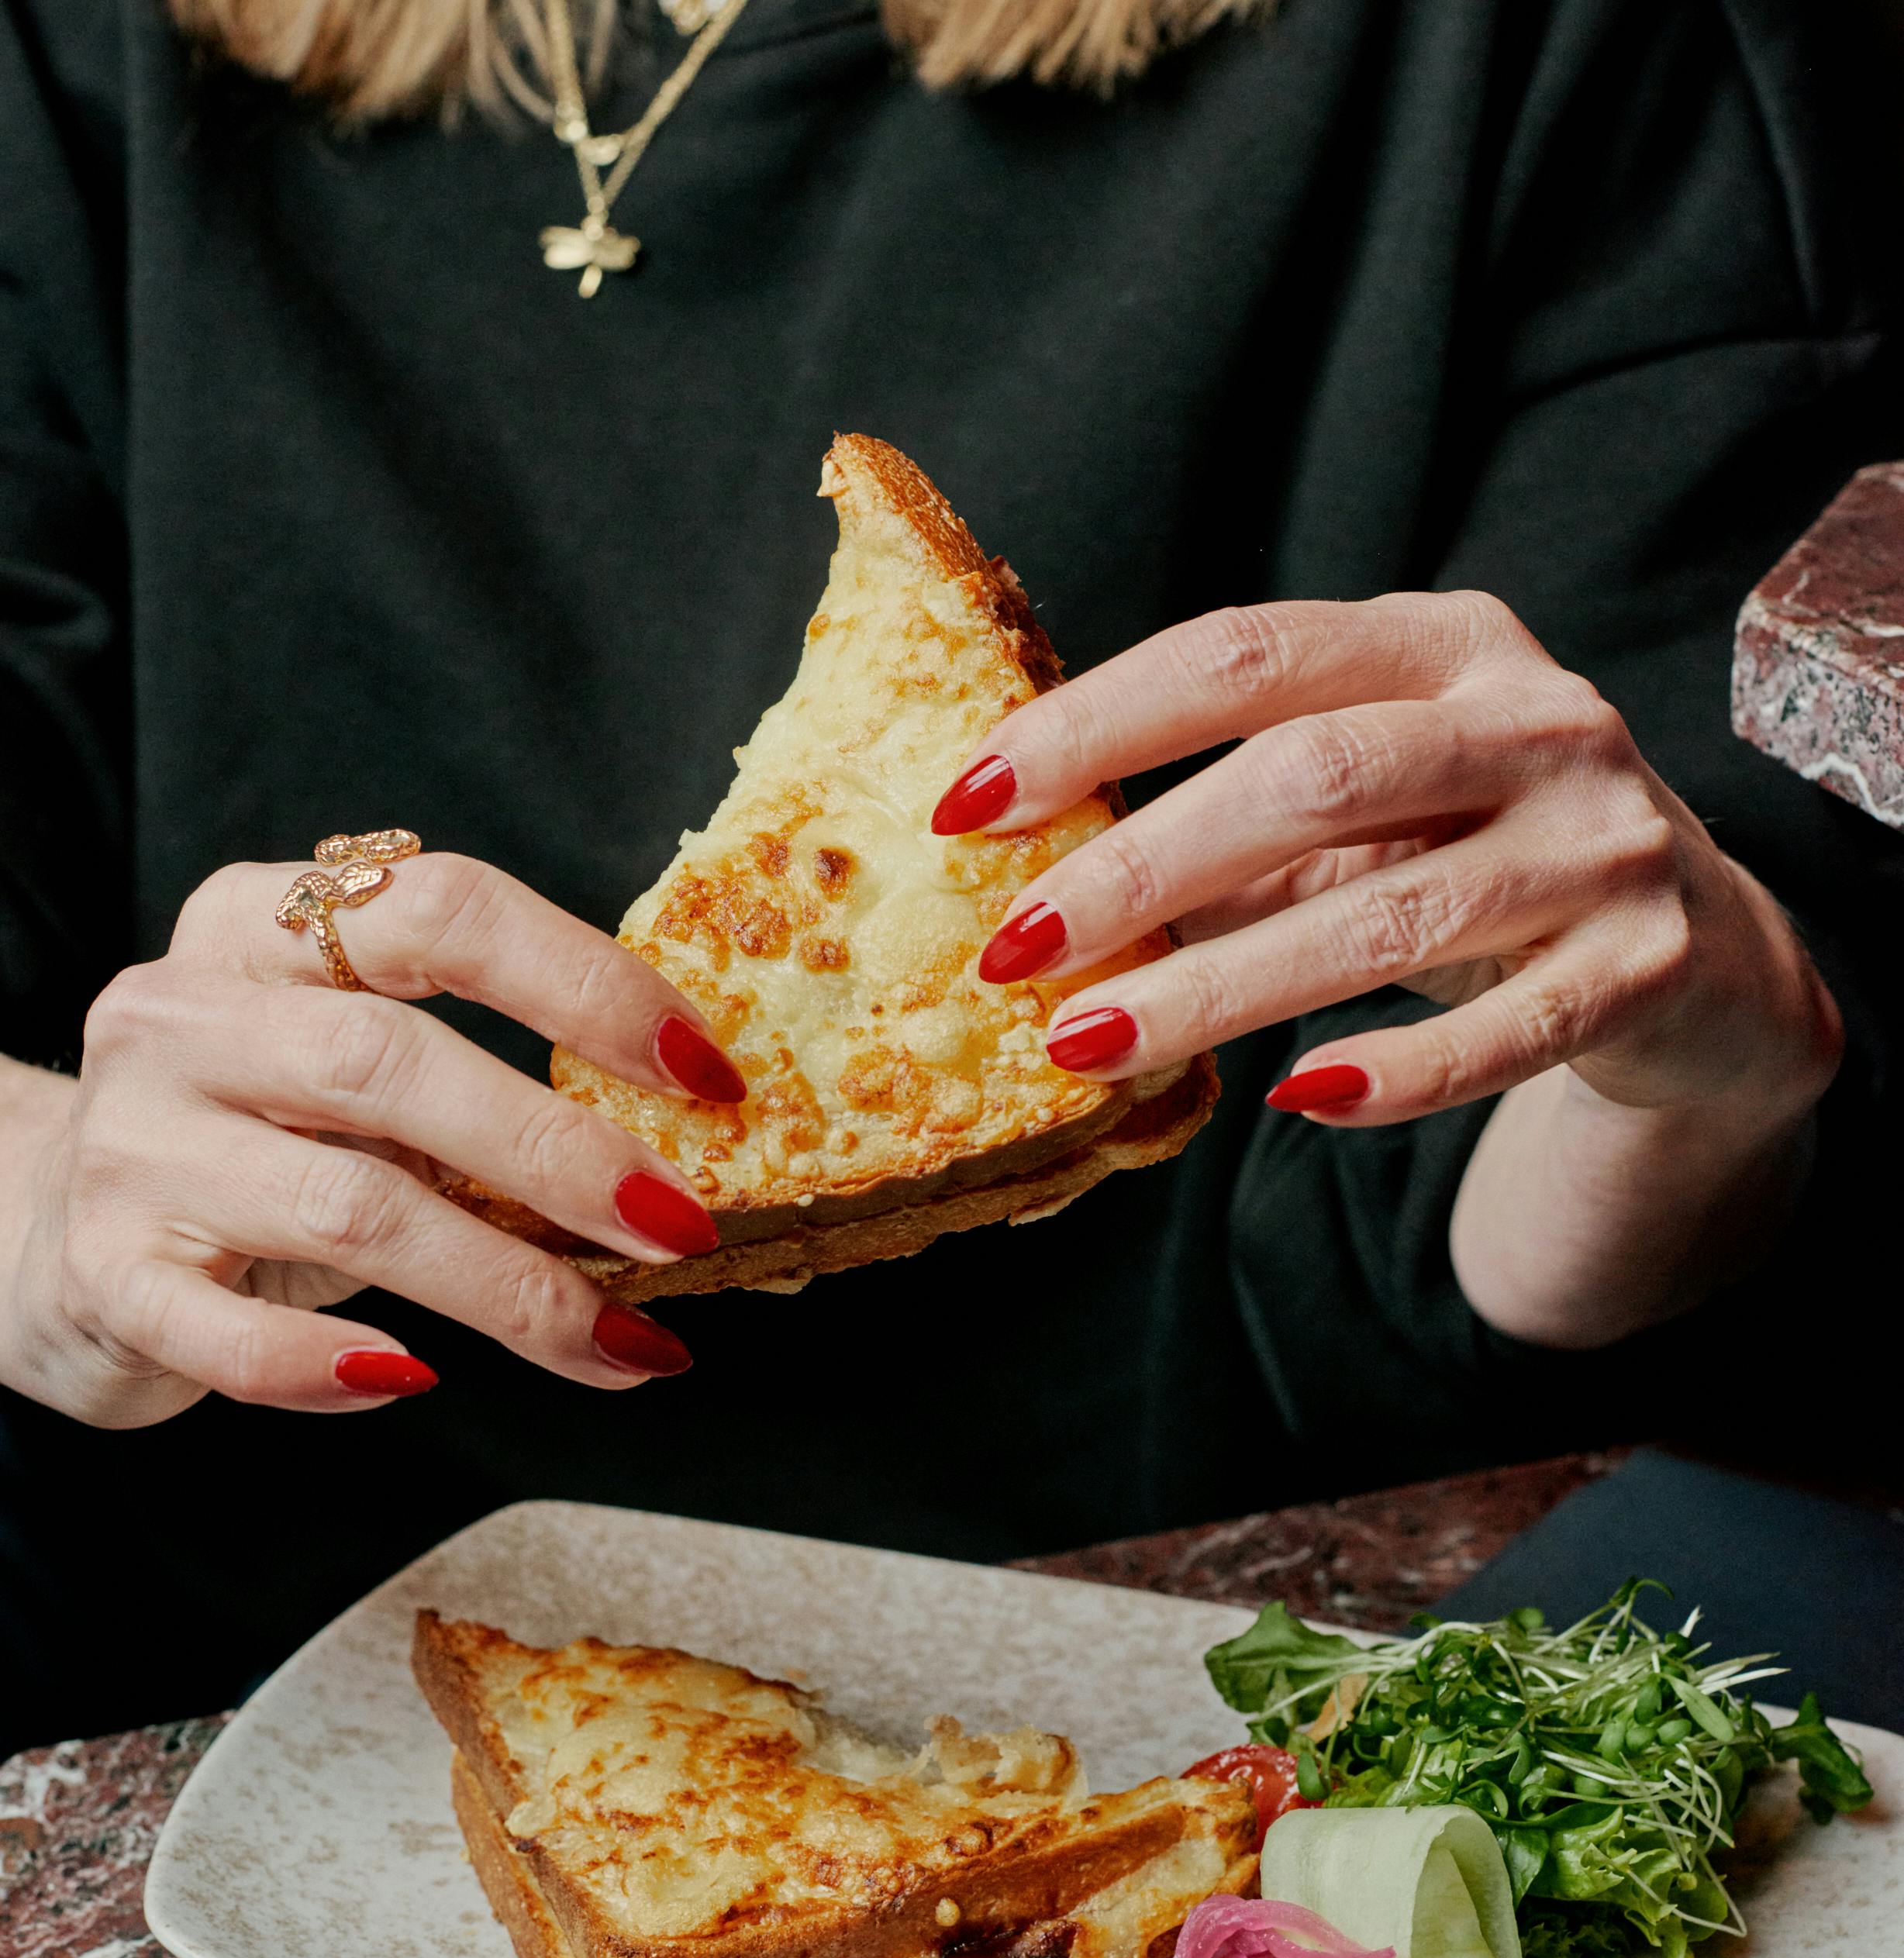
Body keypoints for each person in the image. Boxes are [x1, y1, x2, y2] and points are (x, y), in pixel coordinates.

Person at [1, 0, 1899, 1755]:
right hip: (229, 1728)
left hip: (1238, 1695)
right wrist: (56, 1230)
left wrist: (1694, 1067)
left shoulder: (1560, 48)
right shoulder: (78, 59)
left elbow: (1518, 1232)